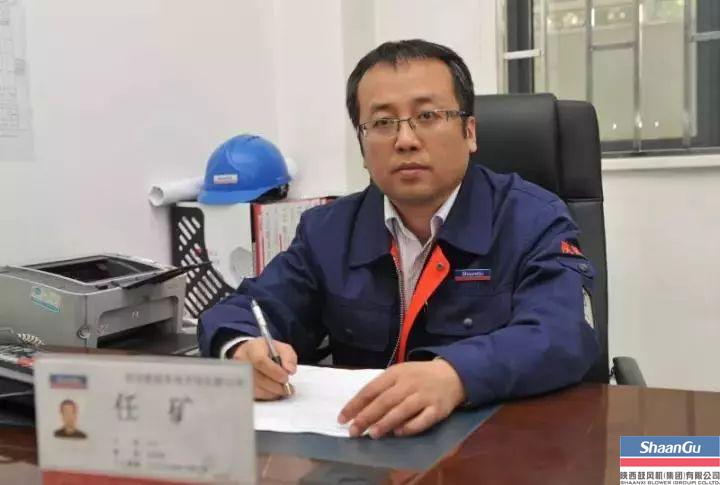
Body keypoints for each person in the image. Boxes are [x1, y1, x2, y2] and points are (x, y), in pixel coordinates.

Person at [199, 39, 599, 439]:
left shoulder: (532, 219)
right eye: (382, 123)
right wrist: (240, 348)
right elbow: (248, 308)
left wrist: (456, 375)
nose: (405, 140)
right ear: (362, 146)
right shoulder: (328, 230)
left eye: (427, 115)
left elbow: (562, 331)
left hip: (494, 444)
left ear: (469, 132)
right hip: (364, 446)